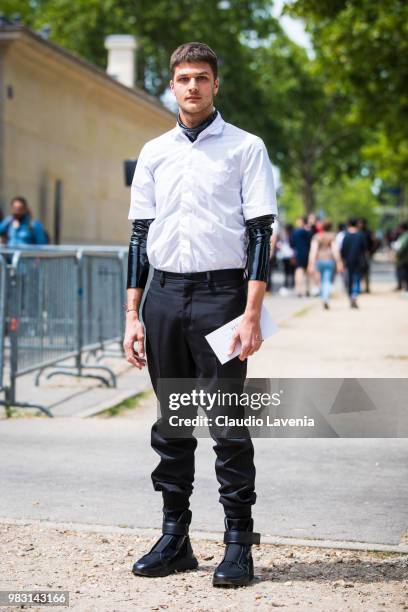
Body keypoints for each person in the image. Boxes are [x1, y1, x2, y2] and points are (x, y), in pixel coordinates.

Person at [123, 42, 277, 587]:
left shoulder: (246, 148)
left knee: (228, 423)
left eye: (202, 78)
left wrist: (252, 313)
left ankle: (239, 543)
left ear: (216, 85)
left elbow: (261, 233)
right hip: (163, 297)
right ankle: (175, 539)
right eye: (184, 78)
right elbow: (140, 235)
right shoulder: (154, 152)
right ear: (172, 85)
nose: (192, 86)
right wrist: (132, 314)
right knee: (173, 423)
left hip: (221, 298)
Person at [308, 219, 343, 309]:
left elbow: (313, 251)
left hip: (319, 261)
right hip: (329, 261)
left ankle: (323, 296)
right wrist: (339, 262)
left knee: (319, 281)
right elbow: (335, 250)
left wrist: (311, 263)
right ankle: (325, 298)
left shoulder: (317, 237)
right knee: (326, 281)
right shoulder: (332, 237)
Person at [340, 218, 367, 308]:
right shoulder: (361, 235)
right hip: (359, 260)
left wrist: (342, 260)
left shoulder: (346, 235)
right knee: (357, 279)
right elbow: (365, 248)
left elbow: (343, 249)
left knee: (350, 279)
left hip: (348, 260)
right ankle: (355, 294)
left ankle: (351, 295)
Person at [291, 216, 312, 297]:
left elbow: (291, 244)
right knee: (307, 272)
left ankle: (298, 290)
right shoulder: (308, 232)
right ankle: (307, 290)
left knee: (299, 270)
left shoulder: (295, 232)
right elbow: (311, 242)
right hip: (307, 253)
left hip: (298, 253)